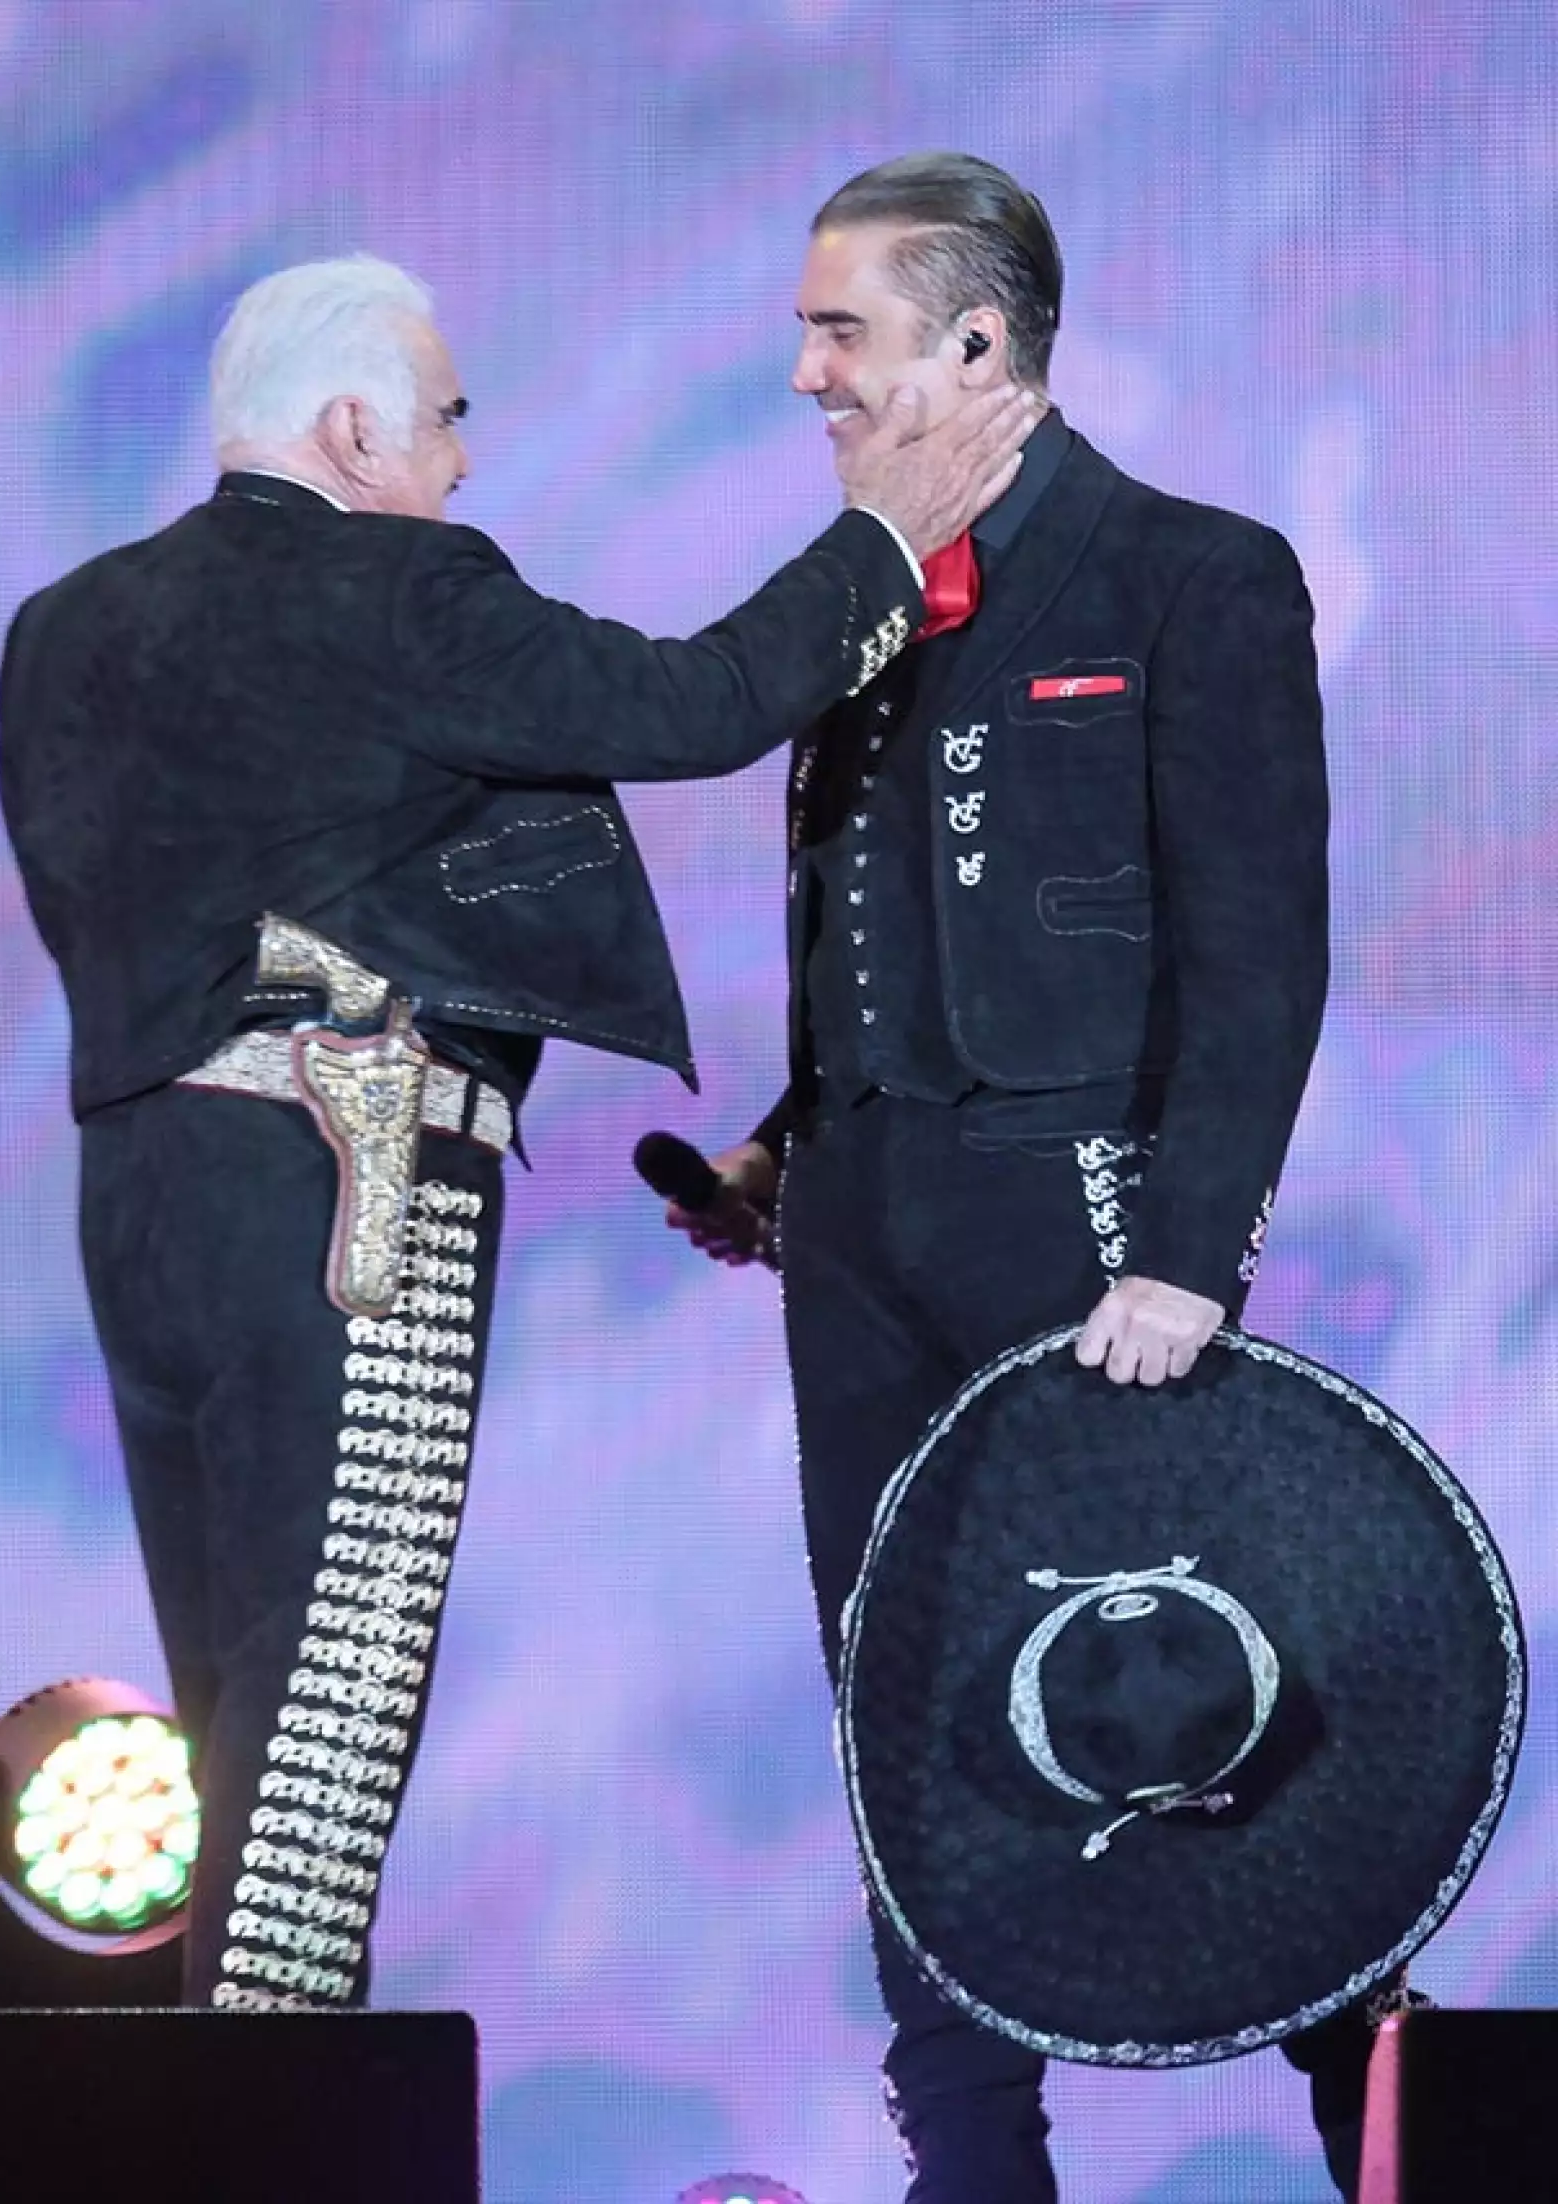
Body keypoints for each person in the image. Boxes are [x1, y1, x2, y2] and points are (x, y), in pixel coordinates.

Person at [0, 251, 1028, 2012]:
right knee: (319, 1753)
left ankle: (220, 2126)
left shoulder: (63, 627)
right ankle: (270, 2153)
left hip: (146, 1208)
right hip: (351, 1185)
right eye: (447, 420)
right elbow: (690, 703)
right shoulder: (396, 588)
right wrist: (888, 540)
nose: (463, 465)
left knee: (247, 1728)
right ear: (347, 428)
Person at [665, 155, 1390, 2203]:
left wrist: (1184, 1253)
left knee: (1192, 1679)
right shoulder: (861, 597)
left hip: (1080, 1230)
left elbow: (1256, 949)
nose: (805, 373)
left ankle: (1389, 2136)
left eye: (842, 334)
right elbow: (877, 937)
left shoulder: (1190, 573)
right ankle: (973, 2176)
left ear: (975, 346)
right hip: (862, 1238)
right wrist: (783, 1149)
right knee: (895, 1692)